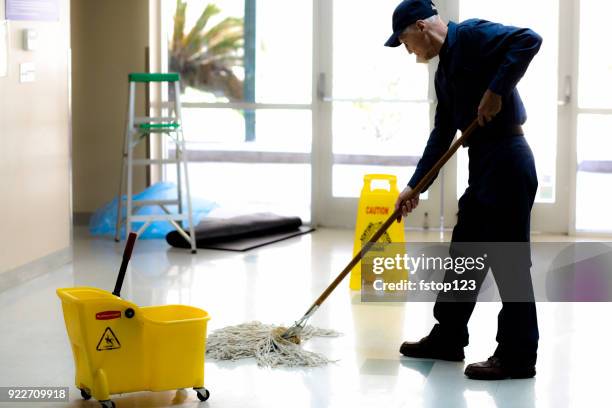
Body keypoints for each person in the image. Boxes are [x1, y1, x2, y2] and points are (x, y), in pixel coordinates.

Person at [385, 0, 542, 380]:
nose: (409, 51)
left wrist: (496, 90)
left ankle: (518, 356)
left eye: (406, 42)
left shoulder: (472, 36)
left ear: (421, 27)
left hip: (508, 158)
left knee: (509, 261)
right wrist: (414, 187)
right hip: (485, 162)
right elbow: (442, 135)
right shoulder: (444, 73)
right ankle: (448, 337)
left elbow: (528, 40)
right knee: (464, 253)